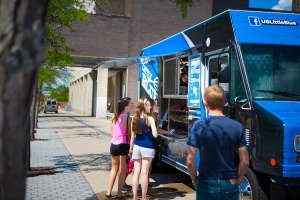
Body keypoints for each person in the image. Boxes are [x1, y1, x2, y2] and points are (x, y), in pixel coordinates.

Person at [186, 85, 249, 200]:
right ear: (225, 102)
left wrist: (195, 181)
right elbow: (245, 161)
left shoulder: (199, 126)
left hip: (206, 181)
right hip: (229, 181)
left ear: (205, 103)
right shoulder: (237, 126)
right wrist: (236, 179)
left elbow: (190, 161)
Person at [128, 98, 158, 200]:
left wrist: (130, 149)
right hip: (147, 147)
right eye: (149, 105)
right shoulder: (150, 119)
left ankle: (135, 196)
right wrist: (154, 131)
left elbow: (132, 137)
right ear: (144, 106)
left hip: (136, 147)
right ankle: (144, 197)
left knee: (136, 173)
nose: (150, 107)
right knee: (144, 173)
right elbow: (155, 134)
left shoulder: (134, 119)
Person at [105, 99, 132, 199]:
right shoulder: (128, 118)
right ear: (126, 107)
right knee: (123, 169)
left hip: (113, 145)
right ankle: (119, 193)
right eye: (129, 105)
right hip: (123, 145)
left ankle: (108, 192)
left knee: (114, 168)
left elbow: (111, 133)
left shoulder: (113, 118)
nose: (131, 107)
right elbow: (130, 135)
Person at [147, 99, 173, 187]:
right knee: (149, 162)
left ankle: (145, 180)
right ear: (151, 106)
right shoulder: (153, 117)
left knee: (146, 163)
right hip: (151, 141)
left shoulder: (145, 115)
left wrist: (167, 132)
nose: (156, 105)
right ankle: (145, 181)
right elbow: (157, 130)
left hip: (143, 142)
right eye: (155, 104)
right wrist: (167, 132)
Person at [120, 97, 134, 192]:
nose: (132, 104)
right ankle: (122, 185)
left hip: (118, 143)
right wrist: (130, 147)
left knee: (124, 165)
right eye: (130, 103)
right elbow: (130, 134)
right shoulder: (126, 117)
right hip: (125, 144)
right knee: (124, 165)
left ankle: (122, 185)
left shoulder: (119, 116)